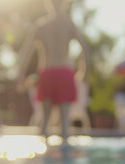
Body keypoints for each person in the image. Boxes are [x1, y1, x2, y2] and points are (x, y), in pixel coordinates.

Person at [17, 0, 89, 140]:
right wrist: (85, 71)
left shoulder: (42, 26)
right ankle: (65, 159)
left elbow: (25, 52)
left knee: (45, 122)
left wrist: (21, 76)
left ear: (48, 4)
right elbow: (84, 49)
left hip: (47, 72)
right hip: (65, 72)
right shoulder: (69, 24)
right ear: (65, 4)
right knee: (64, 125)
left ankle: (42, 158)